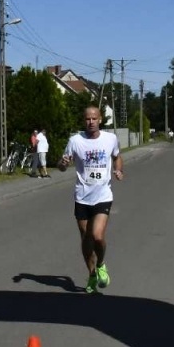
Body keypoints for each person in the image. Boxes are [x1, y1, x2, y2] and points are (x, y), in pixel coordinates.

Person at [58, 105, 122, 294]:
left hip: (103, 195)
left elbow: (117, 157)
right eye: (87, 119)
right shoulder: (75, 141)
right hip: (82, 197)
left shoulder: (110, 139)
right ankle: (92, 273)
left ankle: (101, 264)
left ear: (100, 119)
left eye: (94, 118)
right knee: (86, 239)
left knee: (97, 236)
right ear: (83, 120)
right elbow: (62, 165)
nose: (91, 122)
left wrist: (119, 169)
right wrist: (62, 164)